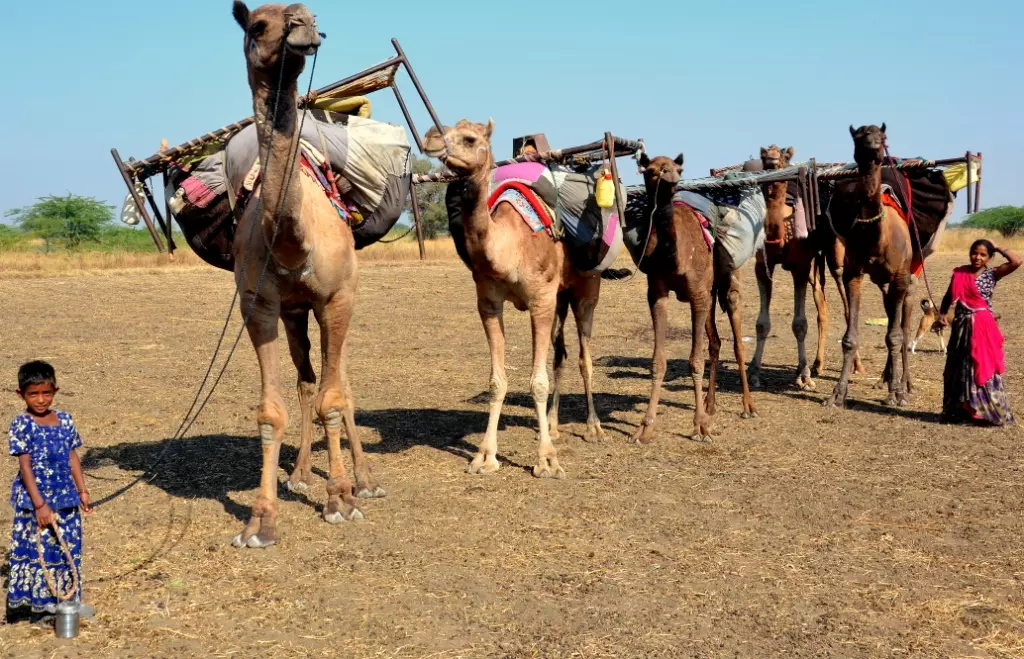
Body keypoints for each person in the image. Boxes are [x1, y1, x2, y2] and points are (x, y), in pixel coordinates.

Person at [6, 361, 94, 624]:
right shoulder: (22, 423)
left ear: (55, 390)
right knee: (40, 552)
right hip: (38, 502)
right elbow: (25, 466)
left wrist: (82, 491)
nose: (41, 400)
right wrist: (39, 505)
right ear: (21, 394)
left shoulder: (65, 420)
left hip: (66, 500)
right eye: (33, 394)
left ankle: (66, 603)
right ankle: (42, 608)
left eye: (46, 393)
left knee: (67, 549)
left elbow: (72, 456)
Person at [938, 239, 1022, 425]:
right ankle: (957, 412)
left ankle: (985, 413)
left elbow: (1016, 262)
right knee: (957, 368)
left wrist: (998, 246)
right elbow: (948, 295)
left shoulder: (993, 274)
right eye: (975, 253)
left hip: (982, 328)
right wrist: (943, 313)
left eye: (983, 254)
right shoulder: (959, 273)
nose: (977, 257)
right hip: (961, 326)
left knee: (979, 367)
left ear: (990, 258)